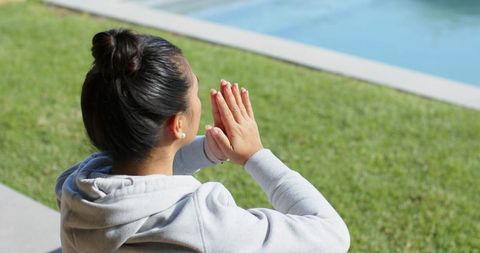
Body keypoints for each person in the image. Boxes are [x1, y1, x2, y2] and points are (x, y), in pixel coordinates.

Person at [55, 29, 350, 253]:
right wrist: (255, 155)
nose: (198, 101)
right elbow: (332, 234)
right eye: (195, 94)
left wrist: (208, 150)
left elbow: (144, 178)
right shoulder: (202, 222)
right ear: (178, 124)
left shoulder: (75, 190)